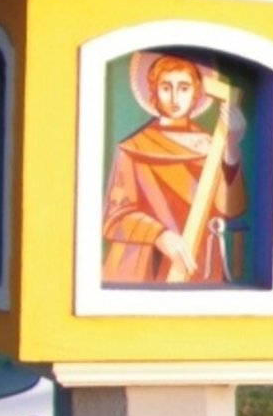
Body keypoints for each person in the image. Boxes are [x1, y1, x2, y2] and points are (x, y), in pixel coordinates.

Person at [101, 52, 247, 285]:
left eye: (184, 88)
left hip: (201, 262)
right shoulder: (134, 147)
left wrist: (231, 148)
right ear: (154, 93)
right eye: (166, 87)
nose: (175, 97)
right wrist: (160, 236)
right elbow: (116, 217)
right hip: (148, 264)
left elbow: (232, 209)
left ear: (196, 93)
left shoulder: (212, 145)